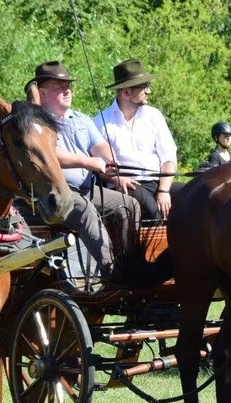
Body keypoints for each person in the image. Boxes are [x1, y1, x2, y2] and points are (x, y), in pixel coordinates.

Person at [28, 60, 140, 279]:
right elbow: (51, 155)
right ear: (43, 92)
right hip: (55, 194)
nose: (67, 90)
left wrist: (112, 166)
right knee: (85, 210)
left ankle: (129, 263)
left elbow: (99, 146)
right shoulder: (35, 122)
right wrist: (89, 163)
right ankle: (113, 273)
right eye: (59, 86)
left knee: (129, 204)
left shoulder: (81, 119)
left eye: (68, 85)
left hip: (86, 189)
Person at [94, 59, 180, 220]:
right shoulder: (99, 122)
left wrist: (164, 190)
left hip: (159, 183)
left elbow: (168, 157)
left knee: (192, 197)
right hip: (127, 185)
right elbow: (98, 168)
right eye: (144, 87)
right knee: (152, 209)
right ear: (127, 91)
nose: (149, 91)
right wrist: (116, 178)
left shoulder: (154, 116)